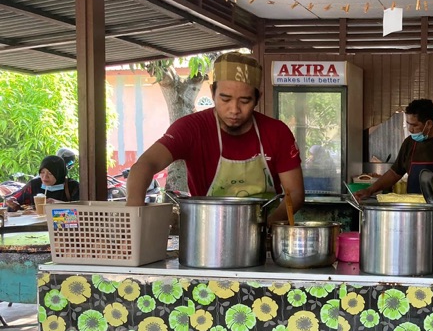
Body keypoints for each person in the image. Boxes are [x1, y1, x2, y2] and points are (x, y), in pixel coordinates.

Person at [125, 53, 304, 224]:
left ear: (258, 98)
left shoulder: (276, 132)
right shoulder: (191, 128)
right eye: (225, 99)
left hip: (265, 233)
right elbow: (145, 165)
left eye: (245, 101)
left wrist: (264, 227)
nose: (234, 109)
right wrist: (133, 216)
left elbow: (295, 193)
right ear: (212, 92)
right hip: (207, 236)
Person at [354, 98, 433, 201]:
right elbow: (394, 173)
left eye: (415, 125)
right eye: (408, 124)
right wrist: (370, 190)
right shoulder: (409, 142)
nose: (410, 129)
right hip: (415, 209)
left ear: (428, 124)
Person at [5, 155, 80, 212]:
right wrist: (12, 204)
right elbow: (14, 202)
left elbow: (81, 209)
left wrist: (59, 204)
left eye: (50, 173)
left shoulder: (72, 187)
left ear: (59, 173)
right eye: (42, 172)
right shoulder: (34, 185)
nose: (45, 177)